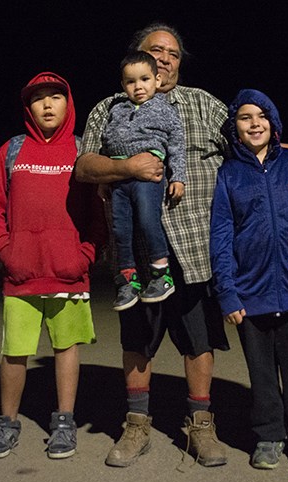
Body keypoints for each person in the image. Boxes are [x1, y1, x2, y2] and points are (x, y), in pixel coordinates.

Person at [75, 23, 288, 468]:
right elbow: (84, 166)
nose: (164, 59)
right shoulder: (109, 108)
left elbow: (248, 133)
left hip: (193, 250)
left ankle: (201, 425)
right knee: (138, 343)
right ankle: (137, 423)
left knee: (198, 343)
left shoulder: (203, 105)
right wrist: (125, 166)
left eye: (172, 54)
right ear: (137, 57)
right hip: (140, 261)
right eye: (155, 51)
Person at [0, 72, 105, 460]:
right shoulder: (12, 150)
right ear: (28, 108)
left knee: (65, 347)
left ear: (69, 103)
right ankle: (7, 423)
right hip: (22, 273)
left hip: (68, 272)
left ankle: (65, 422)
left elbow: (98, 213)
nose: (47, 105)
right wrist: (6, 251)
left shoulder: (82, 150)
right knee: (14, 351)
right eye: (39, 99)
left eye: (55, 97)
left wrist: (84, 253)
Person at [210, 89, 288, 469]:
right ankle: (269, 436)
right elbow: (221, 235)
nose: (254, 123)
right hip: (249, 291)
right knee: (261, 372)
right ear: (235, 128)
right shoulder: (228, 174)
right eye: (245, 117)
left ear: (273, 123)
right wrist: (227, 292)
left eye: (262, 116)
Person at [102, 50, 186, 311]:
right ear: (123, 85)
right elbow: (106, 141)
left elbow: (176, 143)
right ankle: (128, 280)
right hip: (119, 178)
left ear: (157, 81)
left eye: (144, 79)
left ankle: (162, 274)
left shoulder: (164, 109)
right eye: (131, 81)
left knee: (149, 221)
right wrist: (105, 176)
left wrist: (178, 177)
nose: (138, 86)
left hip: (149, 176)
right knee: (120, 228)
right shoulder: (116, 109)